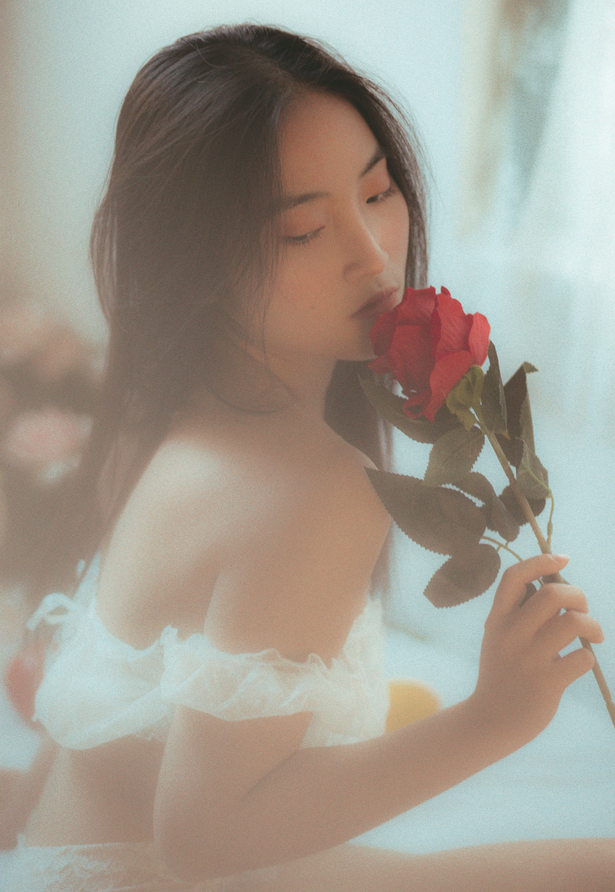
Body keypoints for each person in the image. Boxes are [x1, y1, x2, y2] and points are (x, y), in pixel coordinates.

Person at [2, 23, 612, 891]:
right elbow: (200, 841)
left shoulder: (156, 414)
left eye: (376, 193)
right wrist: (493, 720)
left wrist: (25, 810)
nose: (371, 256)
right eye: (301, 232)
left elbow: (109, 715)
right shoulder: (316, 487)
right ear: (194, 258)